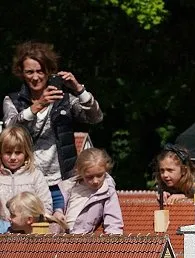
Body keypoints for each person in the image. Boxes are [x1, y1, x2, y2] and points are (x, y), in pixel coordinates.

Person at [2, 41, 103, 220]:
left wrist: (79, 89)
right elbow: (10, 129)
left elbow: (95, 117)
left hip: (61, 181)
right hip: (27, 181)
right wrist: (38, 106)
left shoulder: (64, 100)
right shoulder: (13, 101)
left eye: (40, 71)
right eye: (29, 72)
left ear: (49, 71)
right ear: (22, 74)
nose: (35, 77)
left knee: (61, 231)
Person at [59, 148, 123, 234]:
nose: (95, 181)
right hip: (60, 234)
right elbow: (55, 205)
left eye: (99, 175)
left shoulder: (107, 191)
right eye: (89, 177)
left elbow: (113, 221)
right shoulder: (68, 186)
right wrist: (58, 211)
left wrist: (114, 240)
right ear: (80, 172)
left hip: (81, 236)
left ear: (106, 170)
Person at [0, 125, 52, 220]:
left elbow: (46, 205)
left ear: (26, 153)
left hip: (29, 229)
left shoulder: (35, 175)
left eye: (18, 152)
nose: (13, 158)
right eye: (8, 153)